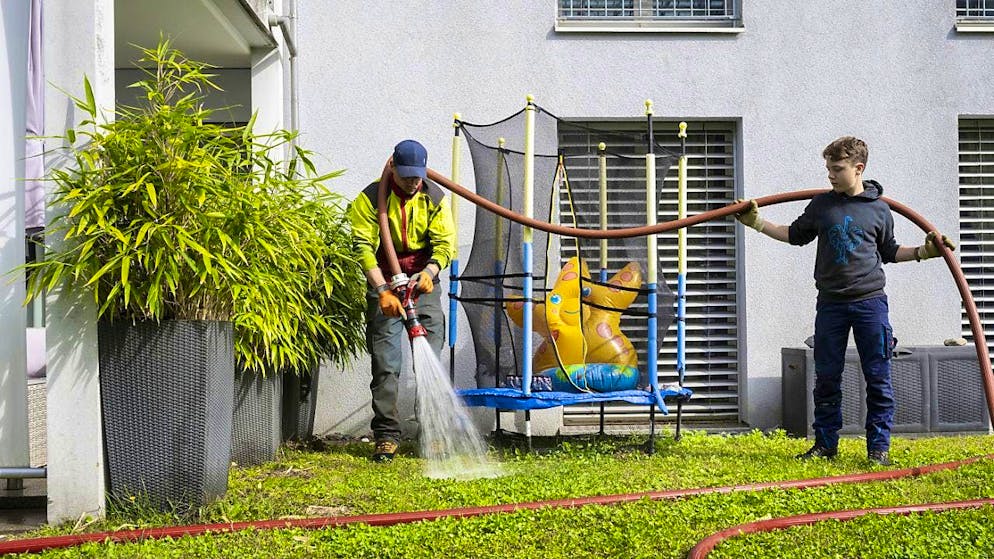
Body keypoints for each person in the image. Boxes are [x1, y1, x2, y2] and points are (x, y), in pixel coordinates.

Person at [735, 136, 956, 466]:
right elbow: (794, 235)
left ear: (858, 168)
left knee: (878, 378)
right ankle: (825, 445)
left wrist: (925, 252)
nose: (830, 175)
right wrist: (756, 222)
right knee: (826, 379)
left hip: (870, 304)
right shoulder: (822, 206)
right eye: (828, 169)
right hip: (831, 305)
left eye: (837, 169)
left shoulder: (881, 210)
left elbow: (891, 252)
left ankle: (878, 450)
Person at [347, 139, 456, 462]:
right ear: (392, 167)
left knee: (431, 360)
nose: (413, 182)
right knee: (386, 363)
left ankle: (432, 434)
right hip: (385, 284)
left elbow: (446, 243)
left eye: (417, 175)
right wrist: (382, 290)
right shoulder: (369, 199)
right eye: (406, 175)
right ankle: (387, 436)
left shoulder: (434, 197)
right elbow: (363, 247)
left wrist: (431, 272)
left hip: (423, 285)